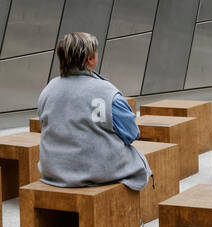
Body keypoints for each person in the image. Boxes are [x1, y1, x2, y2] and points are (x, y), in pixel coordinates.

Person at [36, 31, 150, 192]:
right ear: (90, 59)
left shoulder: (48, 90)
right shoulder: (107, 92)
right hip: (99, 171)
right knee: (137, 157)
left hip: (53, 170)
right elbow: (131, 134)